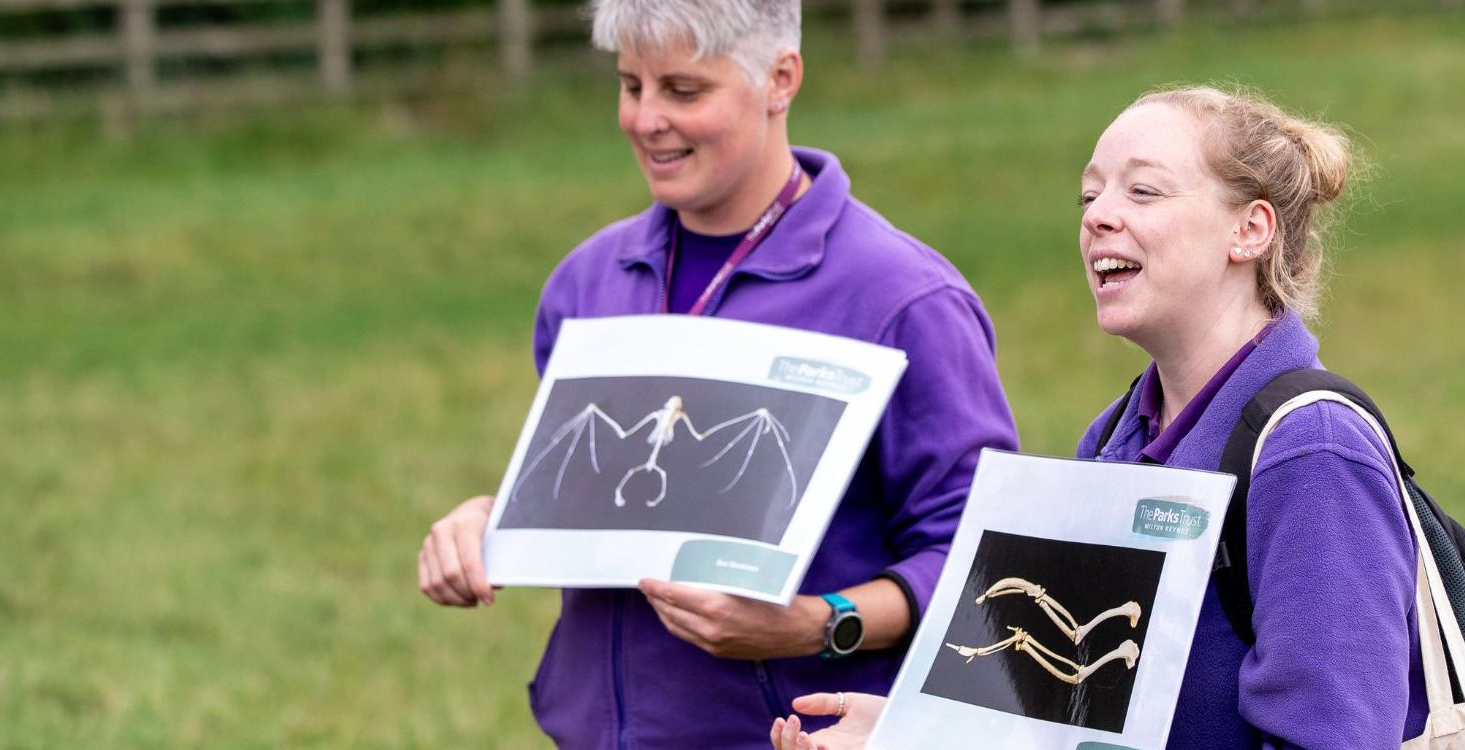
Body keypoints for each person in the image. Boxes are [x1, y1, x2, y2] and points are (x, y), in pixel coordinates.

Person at [414, 0, 1018, 746]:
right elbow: (587, 494)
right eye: (631, 85)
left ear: (780, 79)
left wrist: (816, 624)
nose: (645, 118)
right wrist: (485, 522)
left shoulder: (903, 299)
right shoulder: (587, 283)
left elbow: (983, 557)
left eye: (684, 90)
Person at [770, 85, 1428, 749]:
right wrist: (910, 733)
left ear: (1249, 230)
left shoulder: (1311, 452)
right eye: (1090, 196)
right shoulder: (1115, 435)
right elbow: (1069, 704)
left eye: (1143, 192)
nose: (1097, 217)